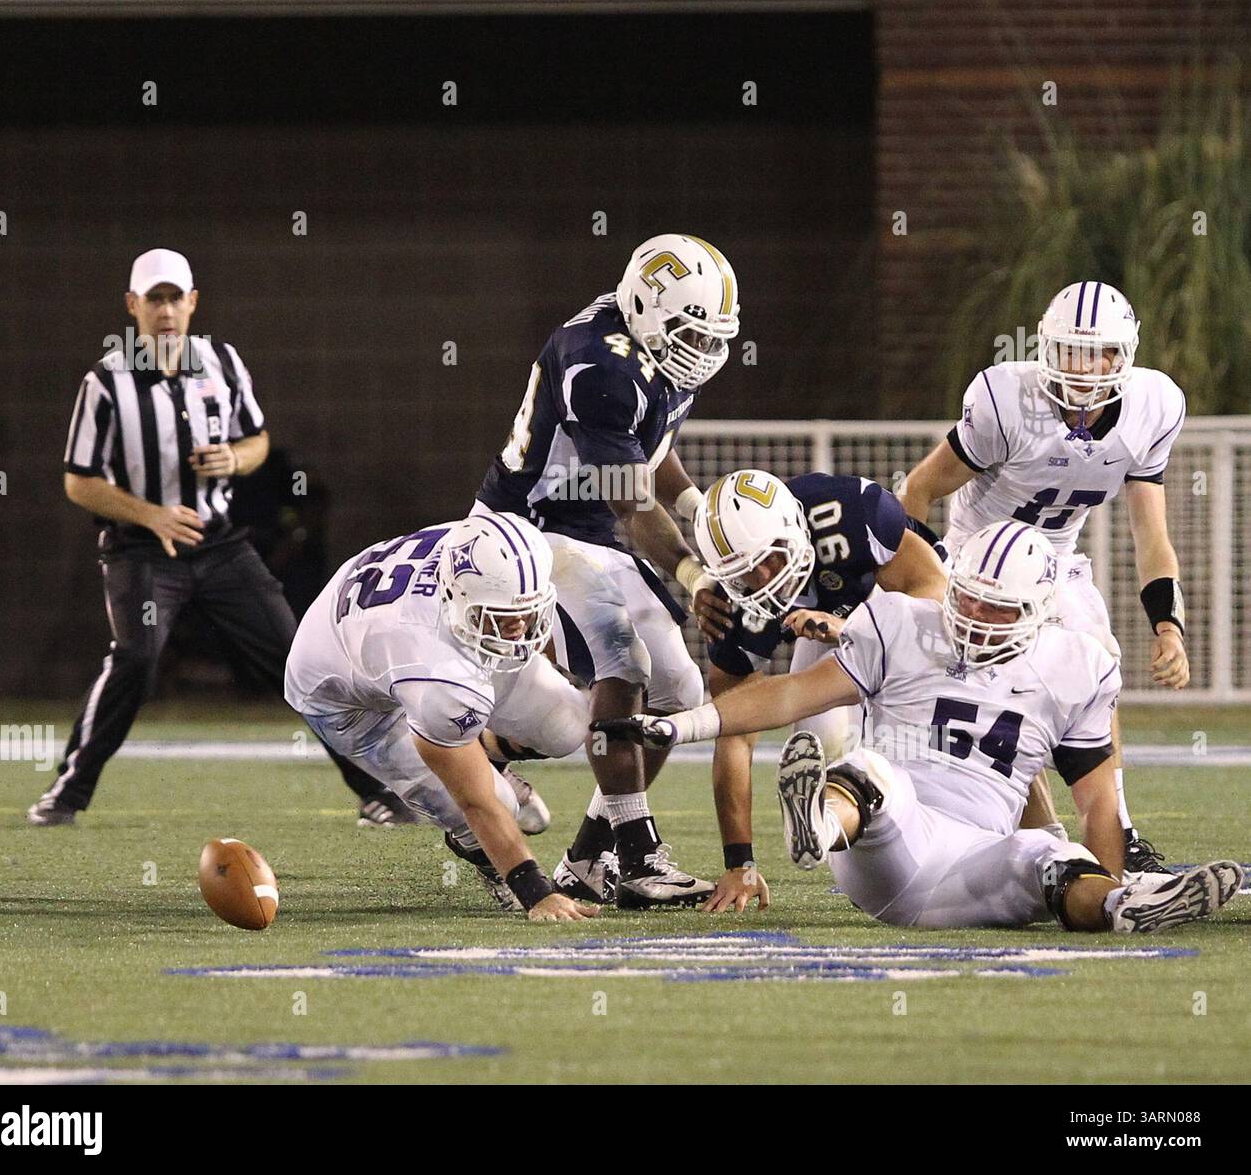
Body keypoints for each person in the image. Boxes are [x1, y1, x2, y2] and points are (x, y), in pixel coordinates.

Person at [598, 521, 1242, 933]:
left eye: (1000, 604)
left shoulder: (1077, 666)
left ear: (1041, 611)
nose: (978, 613)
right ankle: (815, 827)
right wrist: (682, 726)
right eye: (969, 595)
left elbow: (1098, 800)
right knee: (875, 770)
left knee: (1051, 857)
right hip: (883, 843)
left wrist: (1108, 874)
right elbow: (791, 694)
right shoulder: (902, 623)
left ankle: (1123, 910)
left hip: (979, 859)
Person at [30, 248, 391, 826]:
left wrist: (234, 459)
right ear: (133, 306)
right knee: (137, 660)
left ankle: (376, 790)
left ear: (193, 302)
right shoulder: (105, 381)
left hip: (220, 544)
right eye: (155, 299)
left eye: (176, 298)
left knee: (298, 658)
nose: (167, 311)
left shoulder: (222, 362)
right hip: (142, 549)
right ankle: (68, 792)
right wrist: (150, 515)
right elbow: (79, 481)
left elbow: (258, 441)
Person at [473, 234, 740, 908]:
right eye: (688, 333)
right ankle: (640, 854)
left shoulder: (656, 350)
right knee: (622, 663)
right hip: (529, 530)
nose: (701, 352)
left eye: (712, 338)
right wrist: (692, 571)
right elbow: (629, 497)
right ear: (646, 308)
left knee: (681, 692)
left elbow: (653, 449)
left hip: (592, 532)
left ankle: (591, 858)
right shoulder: (599, 364)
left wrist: (695, 507)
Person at [899, 282, 1189, 875]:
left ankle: (1120, 834)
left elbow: (1151, 535)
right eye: (1070, 351)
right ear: (1045, 350)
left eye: (1100, 352)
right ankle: (1047, 840)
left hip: (1053, 561)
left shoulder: (1151, 407)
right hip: (976, 560)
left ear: (1124, 355)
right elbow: (919, 489)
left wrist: (1169, 625)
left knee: (1097, 667)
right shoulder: (1007, 402)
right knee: (1005, 696)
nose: (1084, 368)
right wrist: (927, 575)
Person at [284, 511, 596, 920]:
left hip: (414, 634)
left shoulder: (489, 558)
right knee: (498, 803)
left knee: (567, 723)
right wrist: (536, 892)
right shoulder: (432, 667)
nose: (520, 628)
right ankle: (484, 853)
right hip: (347, 701)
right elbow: (476, 802)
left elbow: (515, 607)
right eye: (505, 618)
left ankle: (481, 752)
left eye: (527, 611)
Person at [688, 468, 948, 912]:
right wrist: (739, 864)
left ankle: (1026, 835)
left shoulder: (849, 514)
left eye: (770, 557)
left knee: (940, 736)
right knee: (822, 744)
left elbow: (934, 593)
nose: (766, 578)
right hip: (829, 634)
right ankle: (833, 824)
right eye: (745, 574)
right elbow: (734, 730)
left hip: (914, 621)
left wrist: (856, 630)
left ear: (793, 527)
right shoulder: (732, 609)